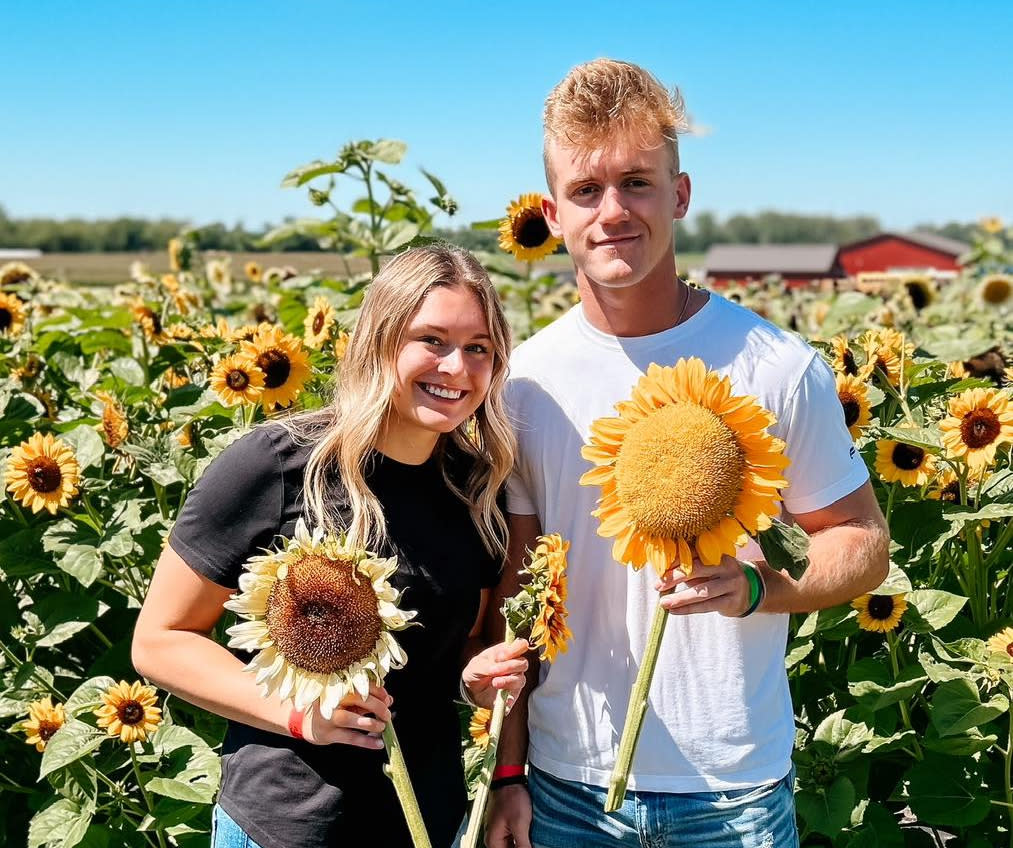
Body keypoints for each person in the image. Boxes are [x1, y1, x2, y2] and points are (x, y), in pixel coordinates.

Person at [484, 59, 890, 848]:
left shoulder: (771, 366)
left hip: (729, 788)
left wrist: (757, 586)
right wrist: (508, 771)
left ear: (680, 193)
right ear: (551, 213)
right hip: (569, 785)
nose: (612, 212)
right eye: (585, 191)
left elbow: (862, 545)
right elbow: (521, 590)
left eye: (636, 182)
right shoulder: (526, 382)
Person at [132, 244, 530, 848]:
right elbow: (160, 640)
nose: (457, 367)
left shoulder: (476, 491)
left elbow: (457, 645)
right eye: (433, 340)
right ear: (381, 340)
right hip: (287, 825)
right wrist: (298, 714)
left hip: (429, 821)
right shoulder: (280, 464)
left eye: (478, 348)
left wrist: (473, 676)